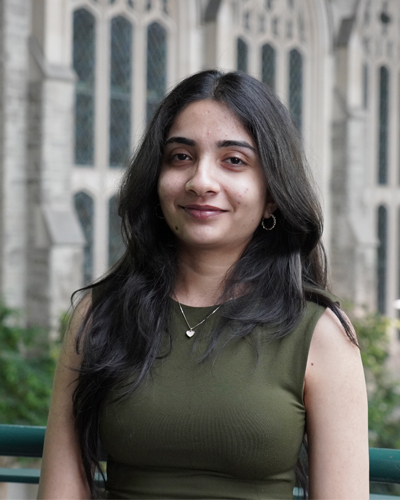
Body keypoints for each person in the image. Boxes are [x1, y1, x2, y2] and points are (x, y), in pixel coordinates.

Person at [37, 70, 369, 500]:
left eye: (234, 160)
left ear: (271, 194)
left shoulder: (321, 334)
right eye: (180, 157)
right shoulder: (99, 315)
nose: (201, 182)